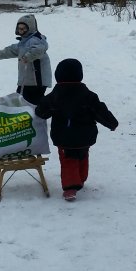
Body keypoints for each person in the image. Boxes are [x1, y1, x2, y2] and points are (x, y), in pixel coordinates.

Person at [34, 58, 118, 201]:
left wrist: (38, 111)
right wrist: (112, 123)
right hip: (85, 136)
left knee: (69, 161)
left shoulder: (55, 96)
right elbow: (100, 110)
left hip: (64, 137)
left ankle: (70, 188)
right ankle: (81, 178)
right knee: (82, 156)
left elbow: (43, 111)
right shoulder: (88, 95)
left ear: (58, 76)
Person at [0, 14, 51, 106]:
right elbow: (11, 50)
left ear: (30, 28)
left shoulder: (37, 40)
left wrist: (27, 57)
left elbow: (39, 50)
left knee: (32, 102)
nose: (21, 31)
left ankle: (40, 113)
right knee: (21, 100)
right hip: (26, 81)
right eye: (19, 29)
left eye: (24, 29)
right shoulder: (23, 42)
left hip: (37, 81)